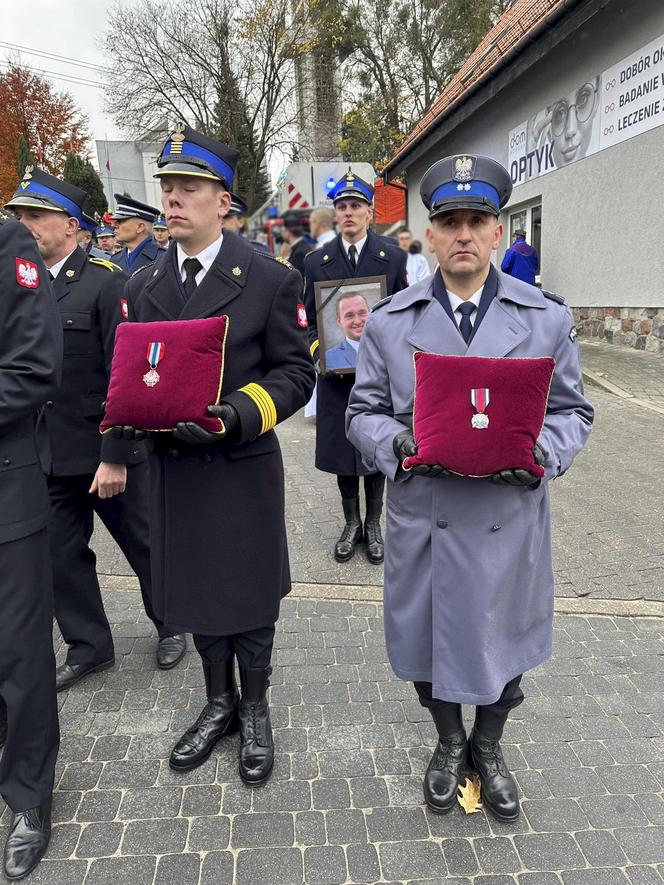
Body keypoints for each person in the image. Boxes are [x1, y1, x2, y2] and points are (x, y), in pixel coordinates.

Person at [346, 154, 593, 822]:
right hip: (426, 513)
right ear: (429, 236)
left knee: (504, 637)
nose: (462, 233)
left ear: (497, 234)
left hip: (507, 515)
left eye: (476, 220)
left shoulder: (545, 320)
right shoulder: (391, 321)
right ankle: (449, 741)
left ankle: (489, 742)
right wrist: (394, 443)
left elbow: (574, 412)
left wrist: (543, 451)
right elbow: (361, 411)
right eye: (448, 220)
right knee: (426, 639)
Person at [114, 123, 315, 785]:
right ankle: (217, 701)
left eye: (189, 188)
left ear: (223, 201)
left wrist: (236, 414)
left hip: (239, 463)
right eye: (167, 186)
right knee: (199, 591)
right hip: (176, 470)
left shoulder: (268, 278)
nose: (173, 199)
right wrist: (130, 432)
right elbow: (132, 373)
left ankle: (254, 706)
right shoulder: (144, 286)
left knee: (250, 598)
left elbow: (294, 373)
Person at [6, 168, 186, 690]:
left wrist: (115, 455)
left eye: (35, 216)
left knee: (146, 543)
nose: (25, 225)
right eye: (19, 216)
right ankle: (89, 646)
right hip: (46, 453)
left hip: (105, 449)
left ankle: (172, 622)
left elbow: (128, 376)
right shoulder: (20, 286)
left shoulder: (107, 283)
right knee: (61, 557)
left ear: (70, 224)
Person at [0, 208, 62, 879]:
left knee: (18, 651)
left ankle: (28, 795)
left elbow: (33, 368)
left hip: (6, 485)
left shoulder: (7, 243)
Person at [303, 169, 407, 565]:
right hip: (335, 378)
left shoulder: (392, 258)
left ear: (369, 211)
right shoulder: (316, 262)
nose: (349, 213)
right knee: (342, 450)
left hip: (378, 378)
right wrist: (318, 350)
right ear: (335, 214)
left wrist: (391, 357)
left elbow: (403, 317)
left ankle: (375, 523)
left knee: (377, 446)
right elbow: (308, 320)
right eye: (342, 206)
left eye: (356, 206)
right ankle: (351, 523)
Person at [110, 193, 164, 273]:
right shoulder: (115, 259)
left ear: (140, 227)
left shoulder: (163, 258)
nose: (114, 225)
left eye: (120, 221)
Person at [324, 292, 370, 370]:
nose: (357, 321)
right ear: (339, 322)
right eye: (349, 316)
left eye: (362, 313)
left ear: (370, 314)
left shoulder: (388, 348)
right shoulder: (329, 358)